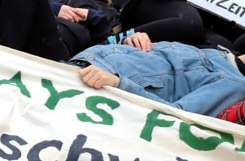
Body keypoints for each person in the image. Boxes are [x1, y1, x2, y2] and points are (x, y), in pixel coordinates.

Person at [72, 39, 245, 120]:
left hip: (96, 82)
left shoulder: (235, 84)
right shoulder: (219, 51)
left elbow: (175, 114)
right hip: (87, 60)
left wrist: (118, 83)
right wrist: (132, 41)